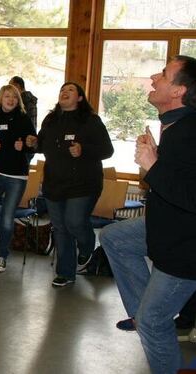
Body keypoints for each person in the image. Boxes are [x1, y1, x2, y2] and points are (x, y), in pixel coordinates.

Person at [99, 55, 196, 373]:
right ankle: (143, 311)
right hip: (167, 227)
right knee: (115, 237)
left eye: (164, 74)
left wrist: (153, 164)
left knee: (155, 324)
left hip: (186, 249)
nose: (154, 77)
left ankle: (149, 317)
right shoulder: (176, 125)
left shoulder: (191, 131)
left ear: (179, 90)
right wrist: (157, 158)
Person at [26, 82, 113, 287]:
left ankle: (86, 246)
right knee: (60, 228)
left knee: (74, 222)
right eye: (62, 90)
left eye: (71, 90)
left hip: (83, 184)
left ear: (80, 98)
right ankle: (65, 273)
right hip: (54, 183)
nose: (65, 92)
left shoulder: (91, 121)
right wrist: (33, 143)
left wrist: (84, 150)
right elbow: (42, 145)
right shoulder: (51, 120)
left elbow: (107, 150)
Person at [0, 85, 37, 273]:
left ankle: (1, 256)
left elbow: (34, 144)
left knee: (7, 217)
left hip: (17, 174)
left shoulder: (24, 119)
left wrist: (26, 147)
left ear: (18, 100)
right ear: (1, 98)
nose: (11, 99)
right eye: (7, 96)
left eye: (14, 97)